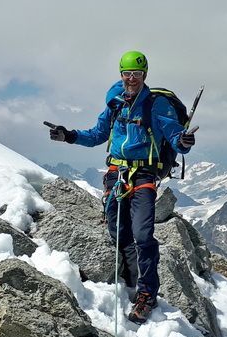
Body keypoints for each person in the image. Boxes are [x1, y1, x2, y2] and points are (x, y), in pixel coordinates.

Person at [47, 50, 196, 322]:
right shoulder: (115, 104)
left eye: (136, 74)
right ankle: (131, 281)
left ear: (144, 76)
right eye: (127, 74)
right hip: (116, 172)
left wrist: (183, 142)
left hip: (143, 176)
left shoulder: (156, 106)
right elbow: (97, 135)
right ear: (121, 75)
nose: (131, 79)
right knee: (119, 232)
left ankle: (147, 293)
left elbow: (174, 134)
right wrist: (69, 136)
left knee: (142, 233)